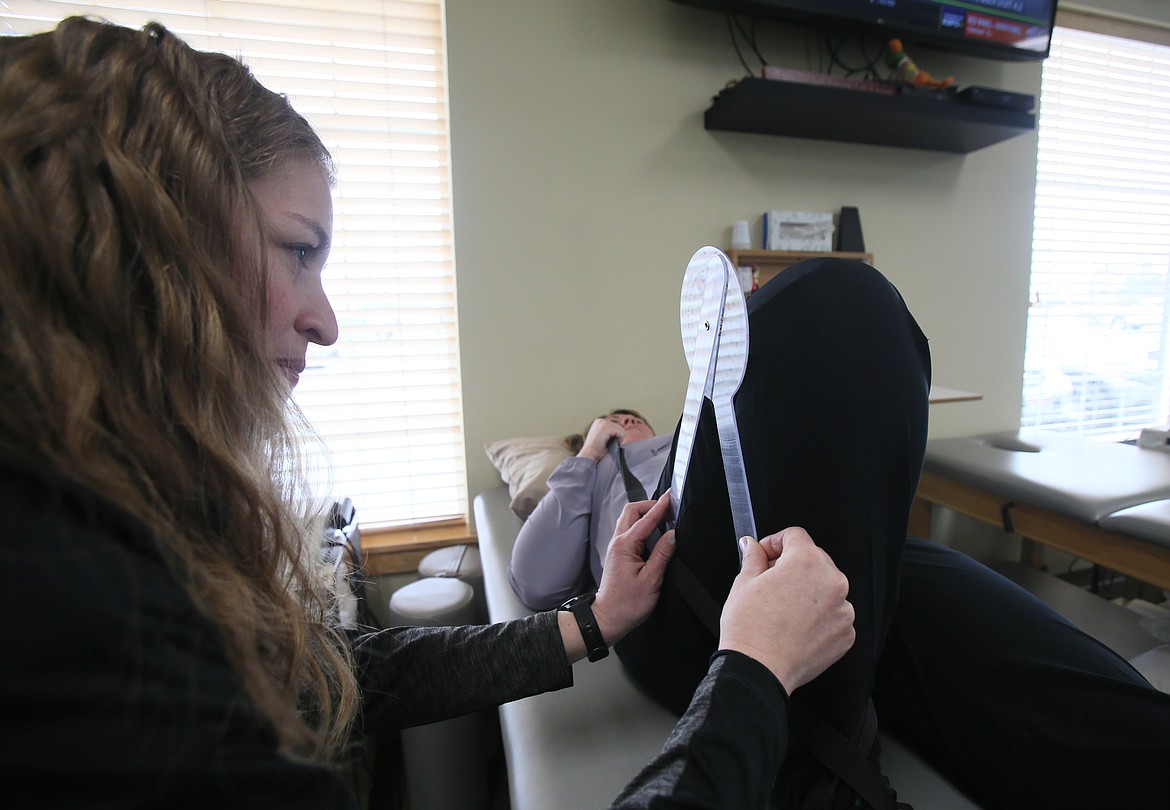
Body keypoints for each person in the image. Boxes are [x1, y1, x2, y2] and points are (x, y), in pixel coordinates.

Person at [0, 17, 860, 808]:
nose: (326, 322)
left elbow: (326, 677)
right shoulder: (82, 633)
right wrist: (751, 672)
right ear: (147, 245)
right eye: (299, 251)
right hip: (721, 646)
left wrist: (592, 620)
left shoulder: (101, 544)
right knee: (842, 302)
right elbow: (528, 570)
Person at [511, 259, 1170, 809]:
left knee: (1098, 716)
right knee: (840, 300)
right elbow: (535, 577)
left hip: (799, 541)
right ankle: (817, 778)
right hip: (680, 589)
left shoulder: (699, 435)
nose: (627, 422)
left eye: (633, 419)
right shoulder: (592, 480)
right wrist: (590, 450)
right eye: (611, 421)